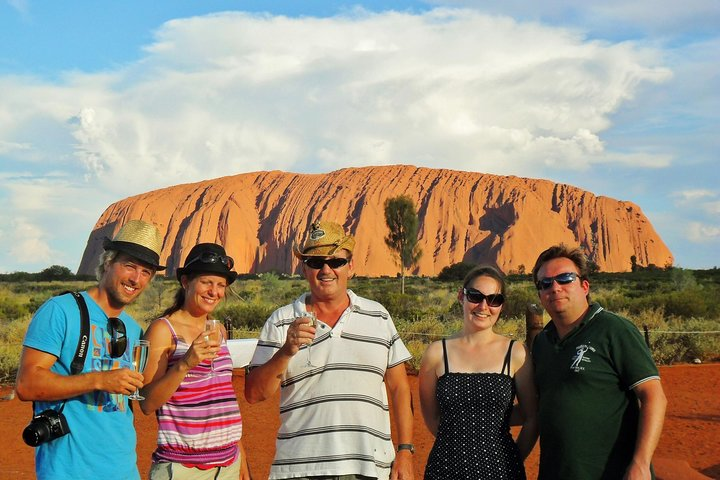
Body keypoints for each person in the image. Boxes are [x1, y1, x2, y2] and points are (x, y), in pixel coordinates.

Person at [245, 220, 415, 480]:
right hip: (299, 470)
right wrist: (286, 351)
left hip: (368, 469)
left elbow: (400, 388)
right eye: (315, 262)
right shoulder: (281, 321)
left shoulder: (379, 316)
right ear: (304, 269)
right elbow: (254, 393)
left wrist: (405, 450)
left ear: (351, 266)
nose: (326, 269)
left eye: (336, 262)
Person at [15, 219, 165, 480]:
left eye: (146, 272)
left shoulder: (133, 329)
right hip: (69, 471)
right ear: (108, 262)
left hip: (123, 470)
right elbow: (27, 385)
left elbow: (143, 400)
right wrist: (99, 380)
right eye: (129, 266)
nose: (136, 279)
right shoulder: (61, 310)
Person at [531, 244, 667, 480]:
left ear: (584, 286)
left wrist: (641, 463)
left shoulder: (614, 329)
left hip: (612, 473)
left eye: (565, 278)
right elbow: (536, 407)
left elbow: (653, 395)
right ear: (540, 294)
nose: (555, 288)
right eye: (545, 283)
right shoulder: (542, 342)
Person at [140, 243, 250, 480]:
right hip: (182, 468)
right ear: (186, 282)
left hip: (228, 463)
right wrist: (185, 363)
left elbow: (221, 399)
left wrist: (240, 455)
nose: (214, 291)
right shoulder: (162, 330)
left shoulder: (218, 329)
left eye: (221, 285)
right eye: (207, 282)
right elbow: (147, 403)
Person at [419, 265, 538, 480]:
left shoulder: (516, 353)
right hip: (445, 470)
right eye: (475, 296)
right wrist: (459, 450)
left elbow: (532, 417)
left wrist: (512, 460)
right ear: (461, 296)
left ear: (501, 306)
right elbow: (432, 419)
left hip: (502, 471)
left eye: (494, 299)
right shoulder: (436, 353)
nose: (484, 306)